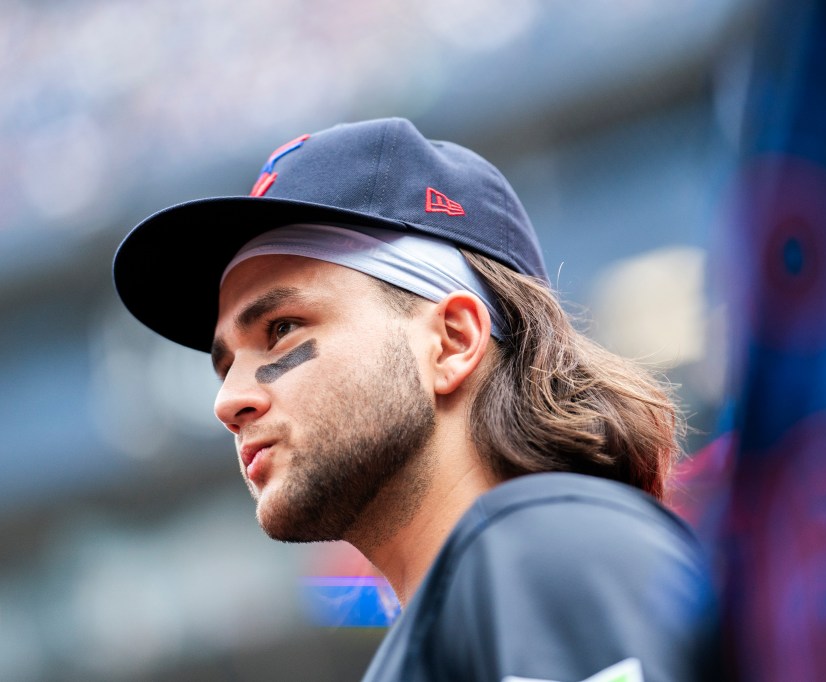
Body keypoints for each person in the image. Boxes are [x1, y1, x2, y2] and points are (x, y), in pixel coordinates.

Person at [112, 117, 721, 682]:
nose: (229, 401)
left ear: (454, 341)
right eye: (224, 365)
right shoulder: (477, 595)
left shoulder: (538, 546)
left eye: (282, 329)